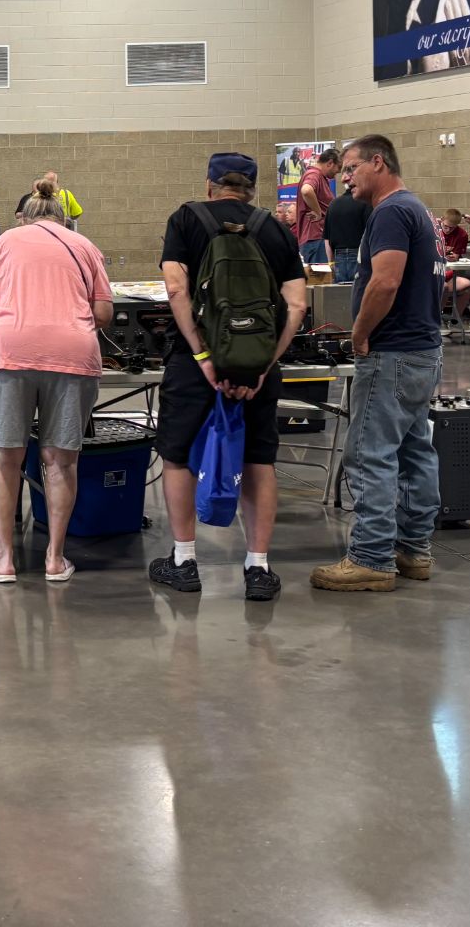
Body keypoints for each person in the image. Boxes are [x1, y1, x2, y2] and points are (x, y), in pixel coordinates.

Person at [148, 152, 307, 603]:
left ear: (210, 184)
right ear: (252, 189)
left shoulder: (185, 219)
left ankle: (184, 561)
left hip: (193, 362)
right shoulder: (274, 227)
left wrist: (203, 355)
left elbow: (176, 288)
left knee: (177, 455)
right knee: (258, 458)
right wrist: (262, 364)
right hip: (257, 361)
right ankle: (258, 567)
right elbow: (297, 305)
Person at [312, 135, 445, 593]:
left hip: (392, 353)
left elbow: (385, 282)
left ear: (378, 162)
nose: (345, 178)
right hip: (422, 350)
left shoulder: (390, 212)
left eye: (351, 168)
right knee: (414, 451)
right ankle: (414, 549)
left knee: (370, 453)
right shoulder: (417, 210)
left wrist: (360, 332)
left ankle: (370, 557)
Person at [0, 181, 112, 585]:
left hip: (9, 352)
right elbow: (104, 313)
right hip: (72, 354)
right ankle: (54, 559)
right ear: (63, 217)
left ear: (25, 216)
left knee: (5, 458)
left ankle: (4, 560)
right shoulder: (84, 246)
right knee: (61, 460)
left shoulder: (5, 242)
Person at [296, 147, 340, 266]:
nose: (337, 173)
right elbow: (306, 190)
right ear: (330, 163)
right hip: (316, 239)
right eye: (338, 168)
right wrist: (318, 212)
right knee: (321, 276)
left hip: (314, 240)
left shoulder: (318, 176)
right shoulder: (315, 174)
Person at [325, 173, 368, 285]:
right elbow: (369, 233)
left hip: (338, 257)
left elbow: (326, 239)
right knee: (359, 291)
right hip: (359, 255)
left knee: (340, 294)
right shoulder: (365, 203)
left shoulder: (333, 205)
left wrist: (330, 262)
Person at [13, 170, 83, 230]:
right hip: (63, 228)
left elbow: (28, 215)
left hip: (43, 230)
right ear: (56, 182)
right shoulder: (66, 194)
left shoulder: (37, 196)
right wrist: (66, 219)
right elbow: (77, 213)